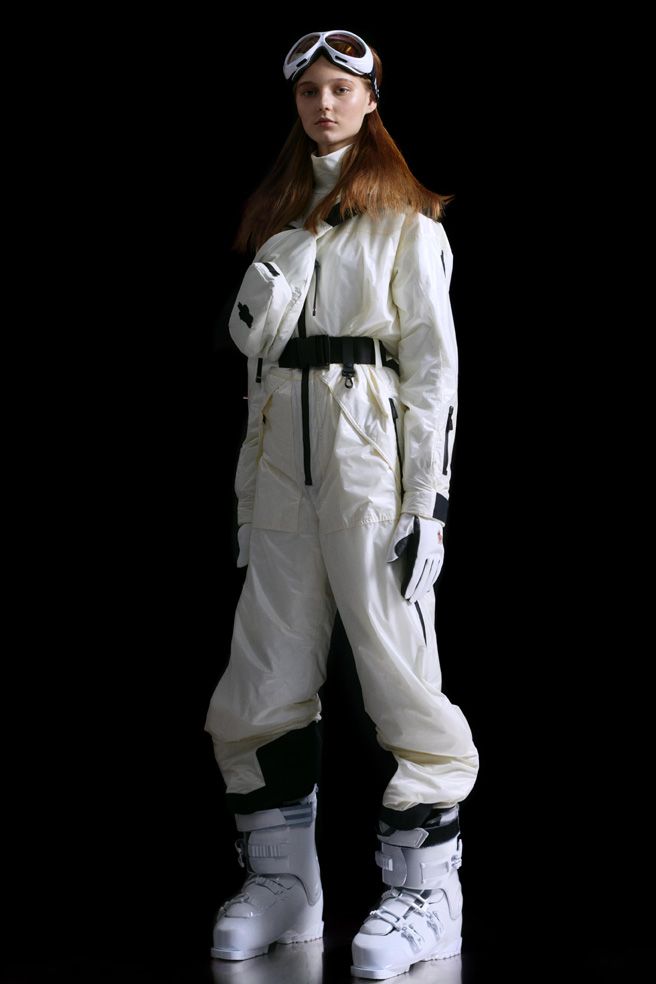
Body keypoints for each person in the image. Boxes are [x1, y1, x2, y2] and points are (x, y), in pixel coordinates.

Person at [205, 29, 479, 980]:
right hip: (286, 467)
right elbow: (259, 382)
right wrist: (250, 501)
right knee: (263, 675)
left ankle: (428, 896)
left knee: (401, 675)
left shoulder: (408, 223)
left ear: (371, 99)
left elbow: (434, 371)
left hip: (369, 466)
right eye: (310, 91)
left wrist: (427, 502)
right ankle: (284, 884)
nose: (325, 104)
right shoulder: (281, 221)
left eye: (341, 89)